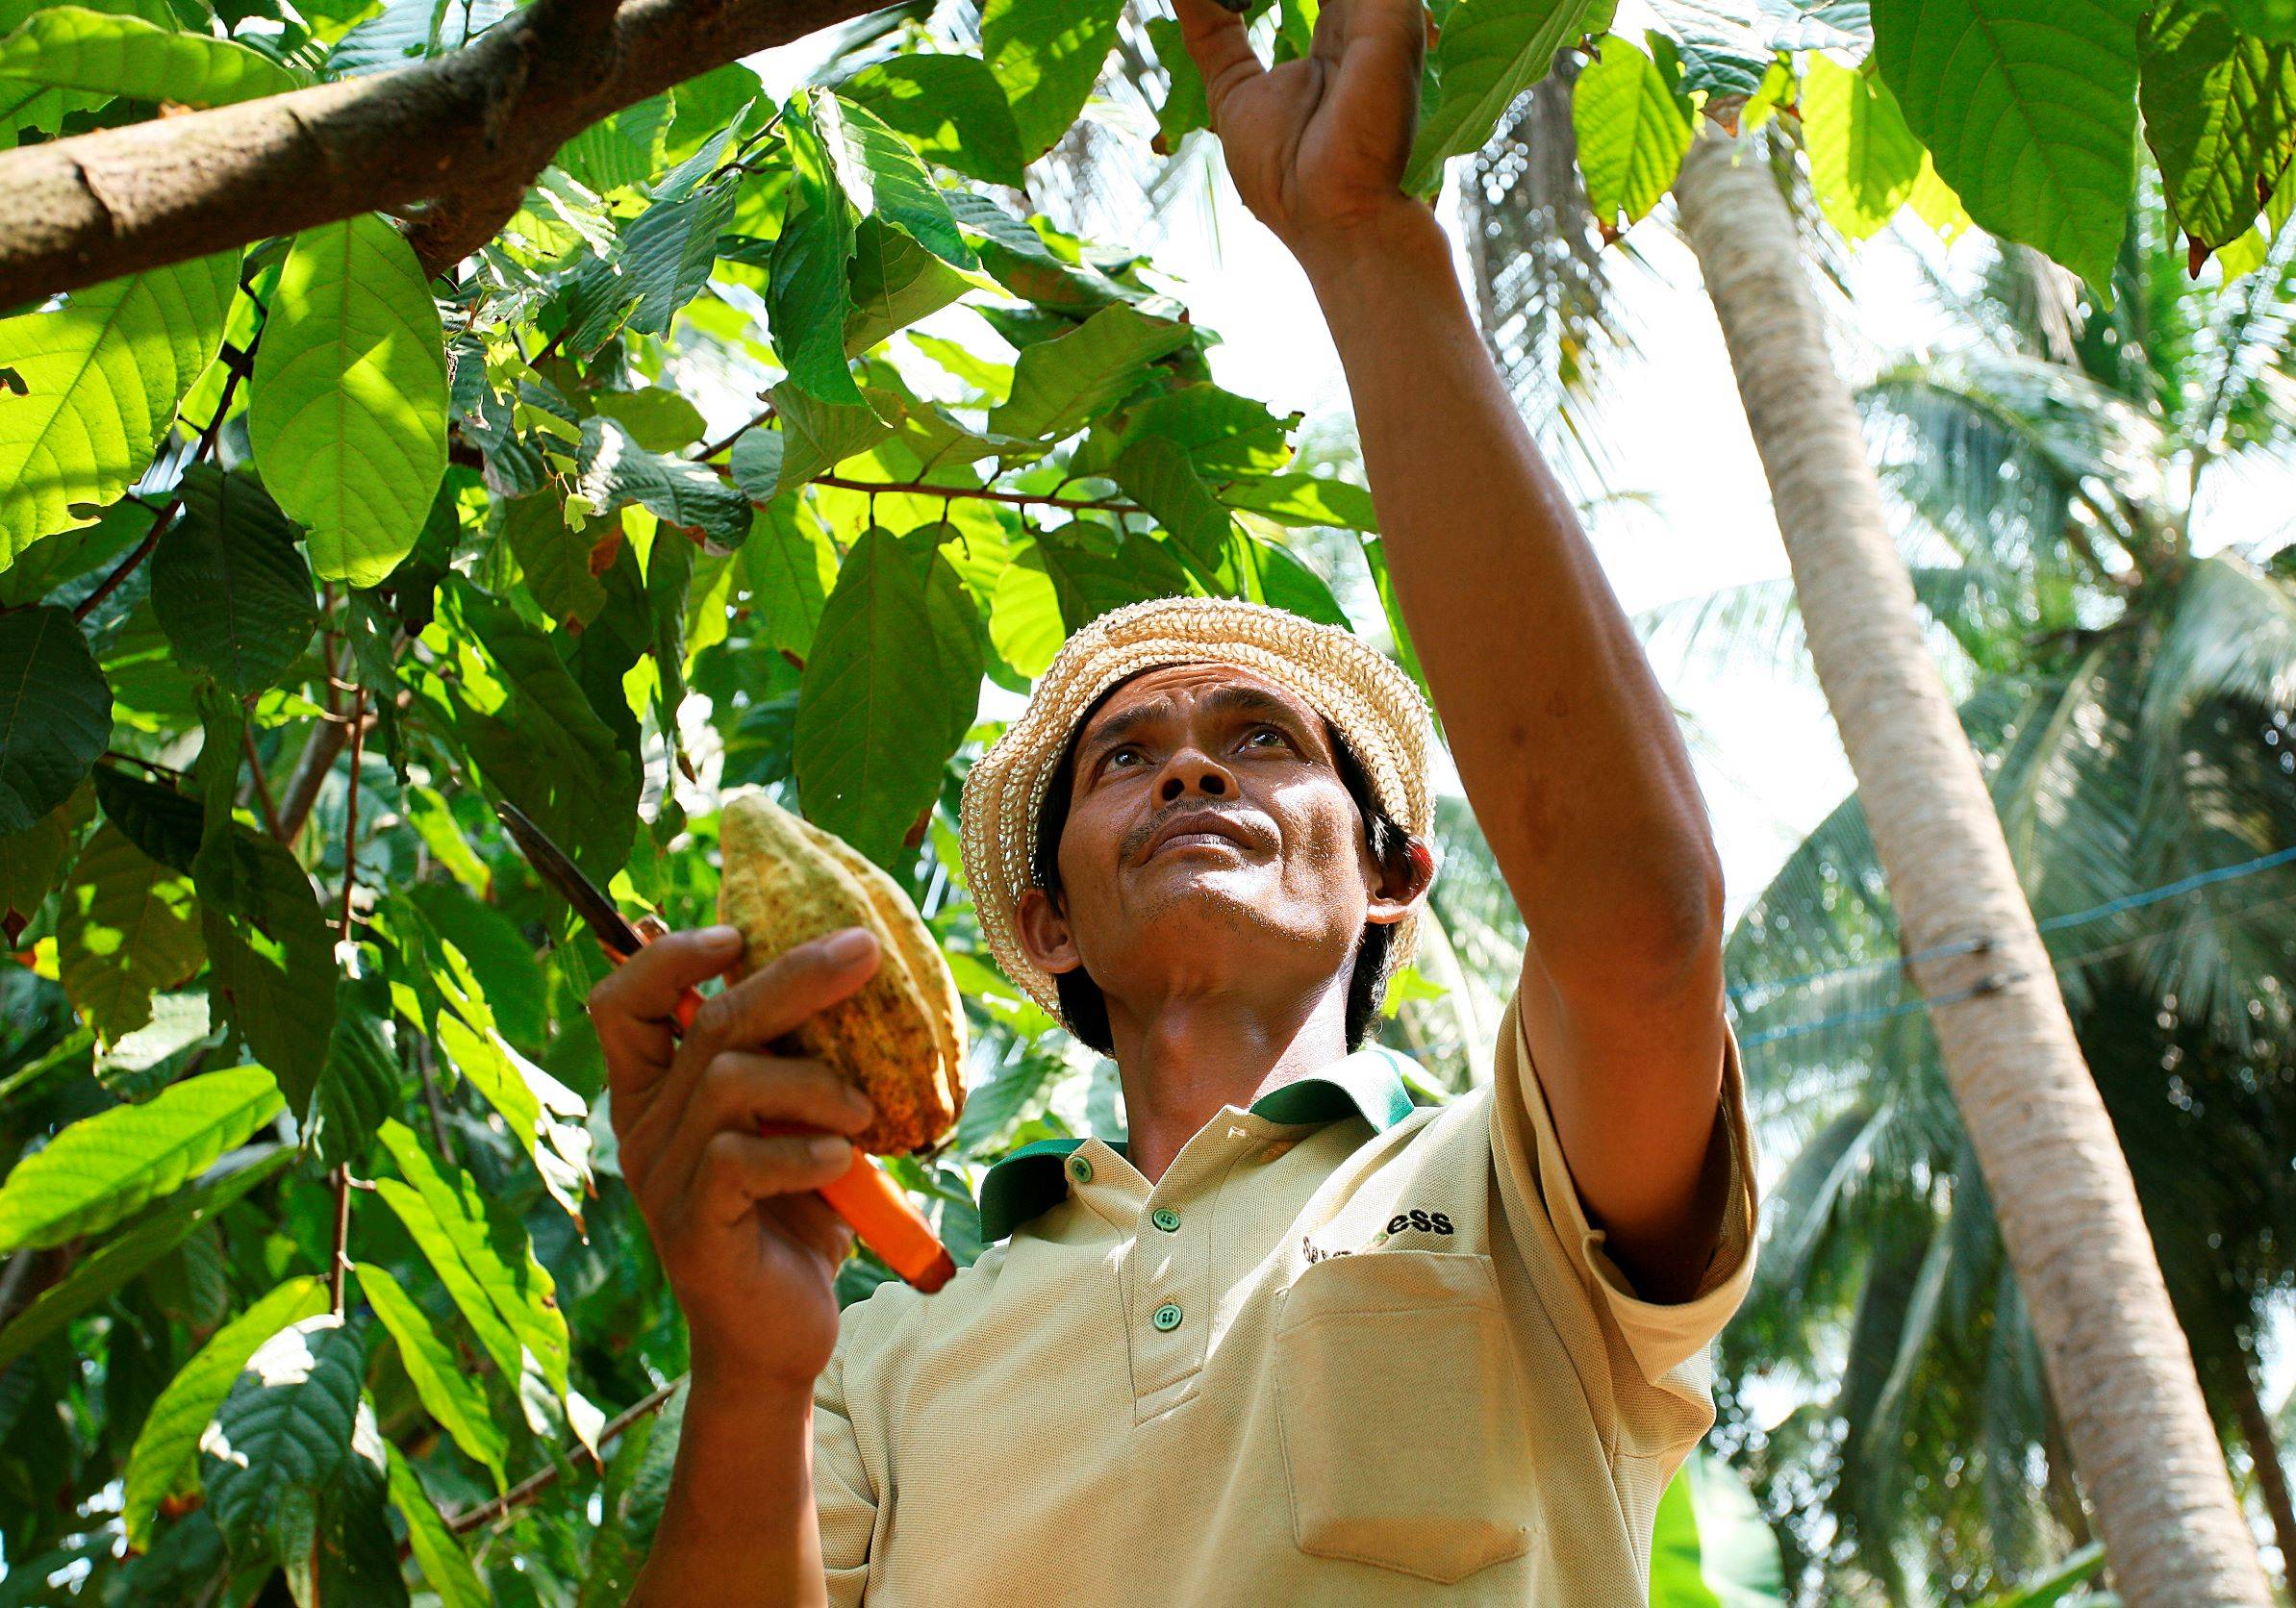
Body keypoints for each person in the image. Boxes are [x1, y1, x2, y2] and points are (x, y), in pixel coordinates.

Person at [588, 0, 1759, 1597]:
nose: (1196, 763)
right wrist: (747, 1364)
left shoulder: (1517, 1191)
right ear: (1047, 916)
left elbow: (1641, 921)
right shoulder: (891, 1344)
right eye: (1125, 760)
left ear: (1395, 871)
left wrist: (1363, 245)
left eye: (1266, 740)